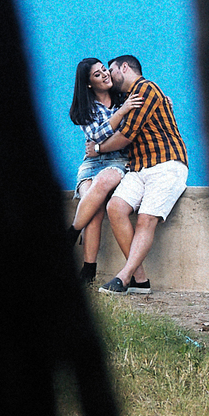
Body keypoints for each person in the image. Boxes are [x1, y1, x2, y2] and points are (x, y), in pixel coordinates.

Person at [88, 55, 188, 295]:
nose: (109, 75)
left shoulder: (145, 88)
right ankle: (140, 280)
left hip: (166, 164)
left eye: (111, 70)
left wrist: (98, 149)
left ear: (124, 67)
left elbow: (125, 136)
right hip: (139, 167)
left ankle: (123, 277)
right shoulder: (126, 99)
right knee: (116, 207)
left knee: (145, 219)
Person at [66, 58, 143, 282]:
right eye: (98, 75)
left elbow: (121, 134)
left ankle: (71, 233)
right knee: (95, 208)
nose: (105, 75)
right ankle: (89, 270)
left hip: (118, 160)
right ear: (89, 83)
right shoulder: (85, 109)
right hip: (91, 163)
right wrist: (121, 113)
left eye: (104, 70)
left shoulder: (123, 97)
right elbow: (97, 136)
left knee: (100, 185)